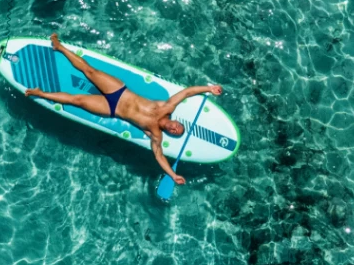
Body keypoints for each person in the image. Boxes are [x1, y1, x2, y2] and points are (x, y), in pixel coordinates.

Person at [26, 34, 223, 186]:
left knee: (76, 100)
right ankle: (59, 47)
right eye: (177, 127)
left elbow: (159, 155)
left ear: (170, 133)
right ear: (176, 121)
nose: (174, 128)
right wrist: (209, 88)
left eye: (175, 132)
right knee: (90, 71)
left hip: (111, 109)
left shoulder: (155, 133)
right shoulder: (166, 107)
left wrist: (172, 175)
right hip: (119, 91)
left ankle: (40, 93)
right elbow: (187, 92)